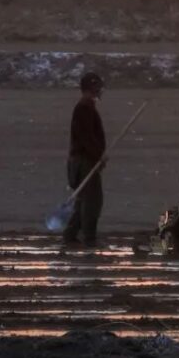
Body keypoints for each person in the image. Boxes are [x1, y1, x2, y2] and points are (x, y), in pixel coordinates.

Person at [64, 71, 106, 247]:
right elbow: (86, 137)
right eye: (98, 87)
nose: (101, 91)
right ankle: (88, 238)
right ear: (92, 87)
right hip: (84, 161)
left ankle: (71, 235)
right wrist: (98, 156)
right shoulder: (84, 107)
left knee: (83, 199)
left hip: (84, 160)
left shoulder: (87, 106)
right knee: (92, 200)